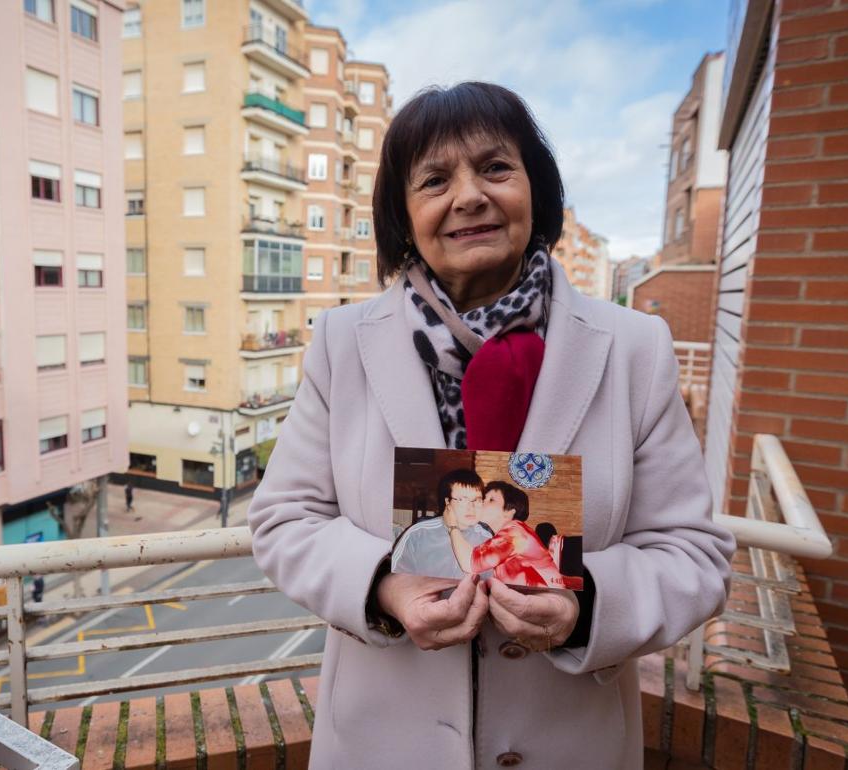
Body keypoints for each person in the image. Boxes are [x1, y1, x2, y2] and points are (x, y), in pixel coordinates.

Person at [248, 81, 735, 769]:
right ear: (403, 213)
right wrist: (384, 586)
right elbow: (283, 521)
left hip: (571, 743)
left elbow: (694, 553)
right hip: (379, 743)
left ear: (536, 188)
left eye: (496, 168)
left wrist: (584, 607)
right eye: (435, 180)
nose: (469, 195)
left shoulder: (633, 349)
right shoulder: (342, 342)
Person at [460, 481, 562, 589]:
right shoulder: (506, 533)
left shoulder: (514, 532)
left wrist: (452, 526)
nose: (481, 503)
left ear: (509, 512)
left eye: (491, 500)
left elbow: (470, 564)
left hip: (547, 598)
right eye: (483, 499)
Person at [392, 468, 491, 578]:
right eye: (462, 500)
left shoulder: (486, 539)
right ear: (447, 501)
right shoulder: (418, 534)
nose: (471, 507)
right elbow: (397, 579)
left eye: (477, 500)